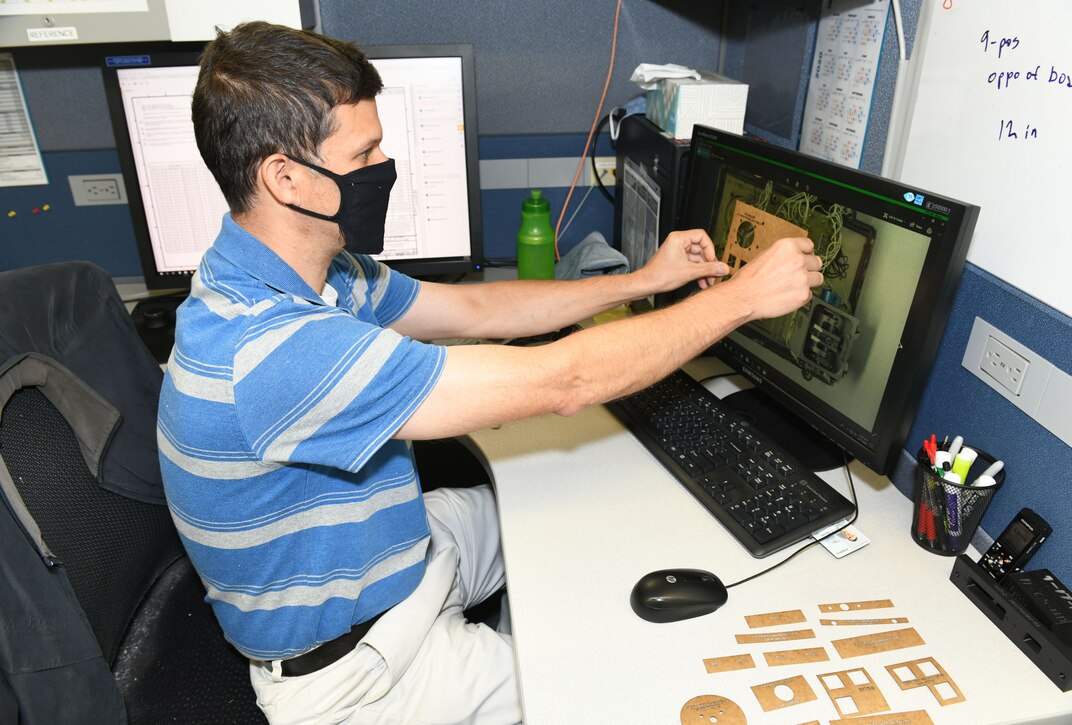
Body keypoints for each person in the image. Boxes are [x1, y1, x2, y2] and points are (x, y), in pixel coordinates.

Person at [159, 20, 824, 725]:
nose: (386, 162)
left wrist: (640, 281)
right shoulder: (270, 349)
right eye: (365, 151)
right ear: (284, 176)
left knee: (578, 503)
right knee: (611, 690)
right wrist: (742, 299)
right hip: (357, 671)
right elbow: (564, 382)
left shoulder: (307, 274)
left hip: (397, 554)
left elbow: (476, 307)